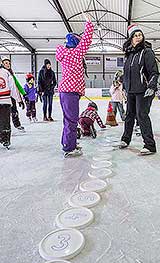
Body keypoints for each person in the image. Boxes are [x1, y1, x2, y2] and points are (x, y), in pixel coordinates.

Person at [56, 13, 94, 157]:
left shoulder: (65, 54)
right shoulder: (75, 54)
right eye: (78, 42)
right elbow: (87, 40)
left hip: (67, 92)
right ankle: (69, 148)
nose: (81, 45)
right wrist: (89, 23)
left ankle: (68, 143)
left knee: (68, 120)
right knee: (72, 120)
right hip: (70, 92)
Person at [119, 23, 159, 155]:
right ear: (131, 38)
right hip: (131, 90)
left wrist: (152, 86)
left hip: (143, 90)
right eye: (135, 35)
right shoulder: (129, 55)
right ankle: (125, 139)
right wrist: (124, 87)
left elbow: (154, 72)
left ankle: (150, 145)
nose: (138, 37)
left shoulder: (147, 52)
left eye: (140, 35)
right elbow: (126, 73)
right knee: (129, 116)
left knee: (142, 116)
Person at [1, 56, 26, 132]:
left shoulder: (10, 74)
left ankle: (17, 124)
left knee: (14, 111)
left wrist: (23, 94)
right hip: (3, 97)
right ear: (2, 64)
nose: (8, 65)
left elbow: (17, 85)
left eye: (9, 63)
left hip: (11, 96)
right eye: (6, 63)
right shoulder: (3, 73)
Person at [0, 60, 21, 148]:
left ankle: (5, 139)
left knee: (5, 121)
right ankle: (5, 139)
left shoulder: (6, 73)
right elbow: (13, 88)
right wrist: (18, 99)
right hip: (5, 101)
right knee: (5, 121)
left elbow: (13, 87)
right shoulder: (6, 72)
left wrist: (18, 99)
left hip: (5, 101)